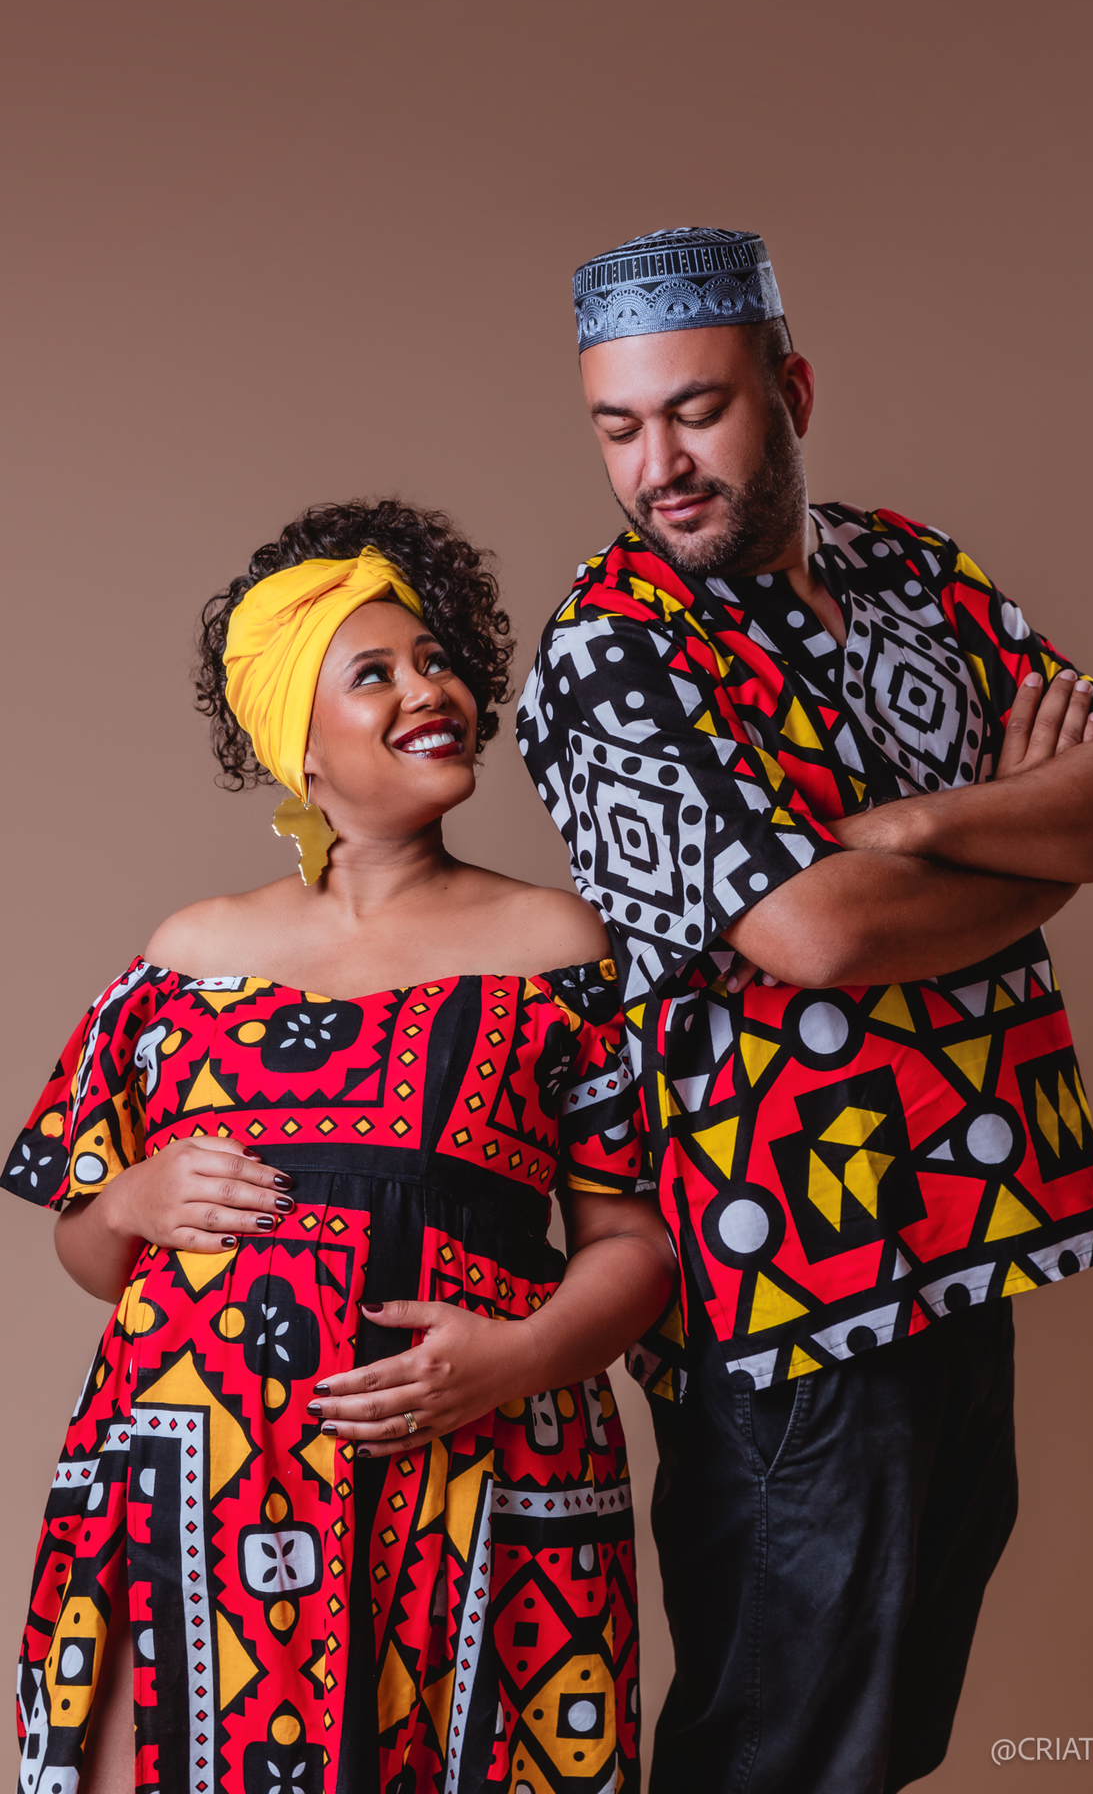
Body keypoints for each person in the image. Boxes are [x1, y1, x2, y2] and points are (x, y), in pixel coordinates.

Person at [518, 228, 1093, 1792]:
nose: (660, 466)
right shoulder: (614, 653)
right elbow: (814, 936)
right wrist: (1024, 847)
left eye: (697, 411)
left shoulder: (913, 568)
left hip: (977, 1216)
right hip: (789, 1284)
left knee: (883, 1737)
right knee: (787, 1740)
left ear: (793, 391)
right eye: (620, 429)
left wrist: (909, 826)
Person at [3, 498, 675, 1794]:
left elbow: (635, 1244)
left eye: (437, 661)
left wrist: (518, 1358)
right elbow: (90, 1252)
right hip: (196, 1483)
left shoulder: (559, 948)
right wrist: (130, 1197)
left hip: (476, 1466)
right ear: (295, 744)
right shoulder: (185, 958)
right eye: (375, 674)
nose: (432, 690)